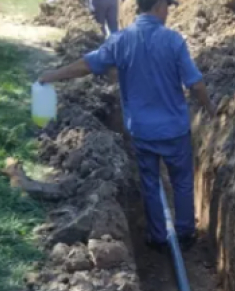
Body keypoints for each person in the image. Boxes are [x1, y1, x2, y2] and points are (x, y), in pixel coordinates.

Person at [37, 0, 216, 252]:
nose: (168, 12)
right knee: (183, 182)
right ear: (157, 7)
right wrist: (210, 110)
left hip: (142, 131)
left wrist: (51, 76)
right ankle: (186, 234)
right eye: (167, 6)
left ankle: (158, 237)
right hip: (175, 130)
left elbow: (86, 65)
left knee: (151, 184)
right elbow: (196, 84)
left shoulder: (121, 40)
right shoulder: (174, 41)